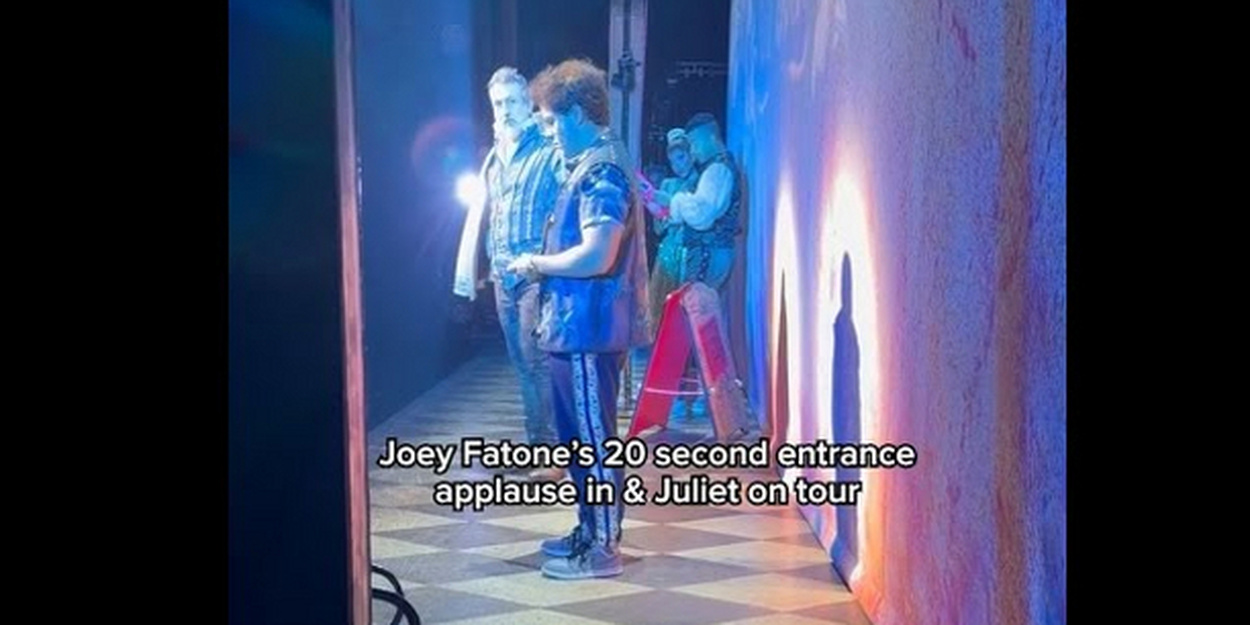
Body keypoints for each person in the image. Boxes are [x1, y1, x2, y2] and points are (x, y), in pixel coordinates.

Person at [505, 58, 651, 580]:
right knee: (579, 439)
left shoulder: (602, 170)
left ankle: (603, 549)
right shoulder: (593, 163)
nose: (548, 132)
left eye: (552, 121)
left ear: (578, 115)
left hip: (589, 328)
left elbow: (598, 254)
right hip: (575, 327)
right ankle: (589, 530)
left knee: (592, 442)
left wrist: (536, 263)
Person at [475, 67, 566, 481]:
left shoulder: (547, 149)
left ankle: (554, 452)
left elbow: (570, 197)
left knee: (538, 362)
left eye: (512, 101)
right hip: (503, 275)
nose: (505, 110)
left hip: (535, 274)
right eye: (498, 104)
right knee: (522, 365)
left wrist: (556, 259)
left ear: (527, 103)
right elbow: (493, 213)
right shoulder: (495, 158)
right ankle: (537, 444)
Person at [647, 128, 700, 331]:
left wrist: (670, 205)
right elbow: (659, 229)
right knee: (660, 305)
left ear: (691, 154)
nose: (678, 165)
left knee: (686, 308)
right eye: (673, 161)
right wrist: (658, 212)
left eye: (681, 157)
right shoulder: (668, 184)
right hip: (668, 252)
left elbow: (698, 217)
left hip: (689, 250)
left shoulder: (700, 183)